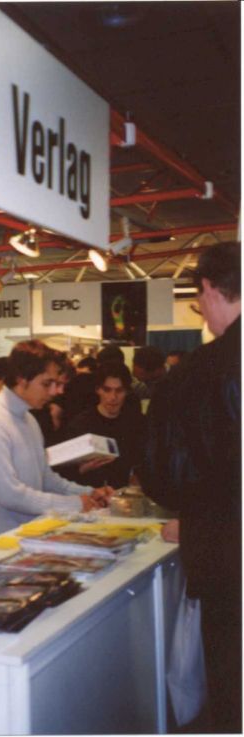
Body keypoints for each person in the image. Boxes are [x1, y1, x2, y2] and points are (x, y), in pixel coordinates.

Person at [140, 241, 241, 733]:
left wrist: (196, 517)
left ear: (207, 289)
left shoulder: (197, 373)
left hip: (226, 560)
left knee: (231, 685)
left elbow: (166, 474)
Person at [0, 340, 113, 542]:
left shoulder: (29, 419)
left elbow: (46, 479)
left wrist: (89, 493)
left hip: (29, 537)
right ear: (21, 379)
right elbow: (10, 495)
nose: (55, 392)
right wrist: (76, 503)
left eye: (56, 383)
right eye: (46, 384)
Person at [57, 362, 146, 489]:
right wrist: (82, 470)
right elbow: (64, 475)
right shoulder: (80, 425)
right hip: (90, 494)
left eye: (119, 390)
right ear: (98, 390)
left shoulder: (137, 423)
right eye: (107, 390)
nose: (113, 397)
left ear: (127, 391)